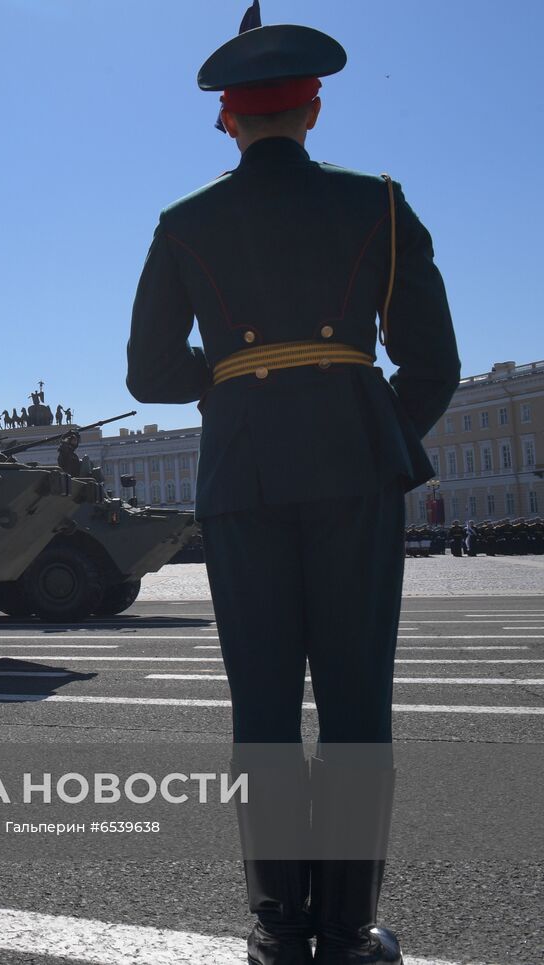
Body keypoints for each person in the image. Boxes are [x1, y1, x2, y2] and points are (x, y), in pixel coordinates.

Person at [125, 22, 458, 965]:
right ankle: (348, 931)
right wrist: (365, 425)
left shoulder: (183, 224)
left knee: (262, 710)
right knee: (356, 706)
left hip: (243, 476)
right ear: (314, 110)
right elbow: (435, 363)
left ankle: (278, 928)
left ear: (225, 121)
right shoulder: (379, 206)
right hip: (354, 469)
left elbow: (149, 372)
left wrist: (235, 372)